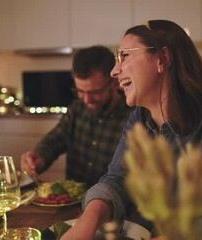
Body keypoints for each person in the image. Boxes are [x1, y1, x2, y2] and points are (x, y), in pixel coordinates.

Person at [61, 20, 202, 239]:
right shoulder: (139, 118)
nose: (115, 71)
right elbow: (118, 178)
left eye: (124, 56)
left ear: (162, 59)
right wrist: (86, 222)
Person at [20, 45, 134, 188]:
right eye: (80, 91)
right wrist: (39, 158)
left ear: (115, 82)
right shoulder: (77, 108)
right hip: (73, 202)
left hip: (113, 206)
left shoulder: (134, 116)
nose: (86, 100)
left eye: (95, 92)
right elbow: (56, 139)